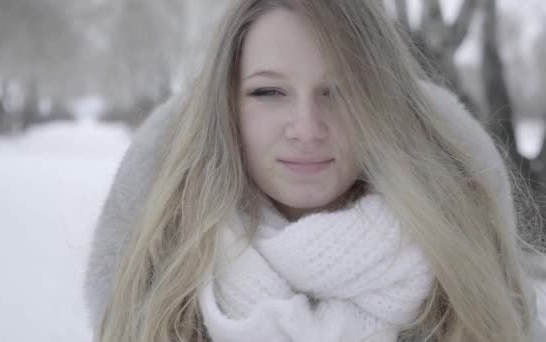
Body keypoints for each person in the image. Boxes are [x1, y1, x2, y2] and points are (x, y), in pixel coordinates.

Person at [83, 0, 546, 341]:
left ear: (382, 104)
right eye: (269, 93)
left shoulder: (464, 295)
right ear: (225, 109)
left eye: (339, 91)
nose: (306, 128)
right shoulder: (166, 288)